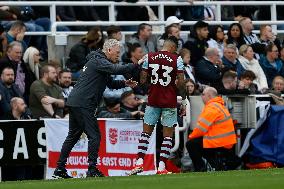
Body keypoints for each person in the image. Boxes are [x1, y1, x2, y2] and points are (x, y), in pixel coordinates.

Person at [53, 39, 139, 179]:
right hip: (84, 103)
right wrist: (136, 65)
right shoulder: (99, 61)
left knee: (73, 136)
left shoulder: (98, 61)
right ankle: (92, 170)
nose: (118, 56)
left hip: (77, 101)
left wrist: (124, 83)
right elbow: (116, 69)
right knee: (95, 136)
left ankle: (59, 170)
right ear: (109, 50)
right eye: (117, 53)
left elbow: (110, 83)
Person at [128, 36, 186, 175]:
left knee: (146, 133)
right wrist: (183, 100)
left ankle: (139, 163)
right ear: (173, 47)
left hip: (153, 100)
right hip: (169, 102)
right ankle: (161, 168)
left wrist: (152, 85)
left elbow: (142, 80)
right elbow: (182, 82)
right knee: (167, 137)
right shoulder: (176, 59)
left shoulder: (149, 56)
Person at [186, 87, 238, 172]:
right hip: (225, 142)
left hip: (219, 142)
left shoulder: (211, 107)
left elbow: (201, 129)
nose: (201, 96)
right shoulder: (219, 105)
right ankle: (214, 166)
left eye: (203, 94)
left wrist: (191, 136)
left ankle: (201, 169)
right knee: (201, 144)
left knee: (191, 144)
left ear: (209, 96)